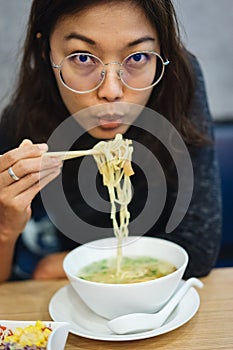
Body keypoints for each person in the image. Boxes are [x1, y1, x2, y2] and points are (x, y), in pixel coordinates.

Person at [0, 0, 221, 282]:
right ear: (46, 51)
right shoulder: (22, 120)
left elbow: (198, 251)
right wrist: (4, 228)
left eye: (138, 57)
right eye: (82, 57)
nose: (111, 91)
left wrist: (61, 265)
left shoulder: (179, 82)